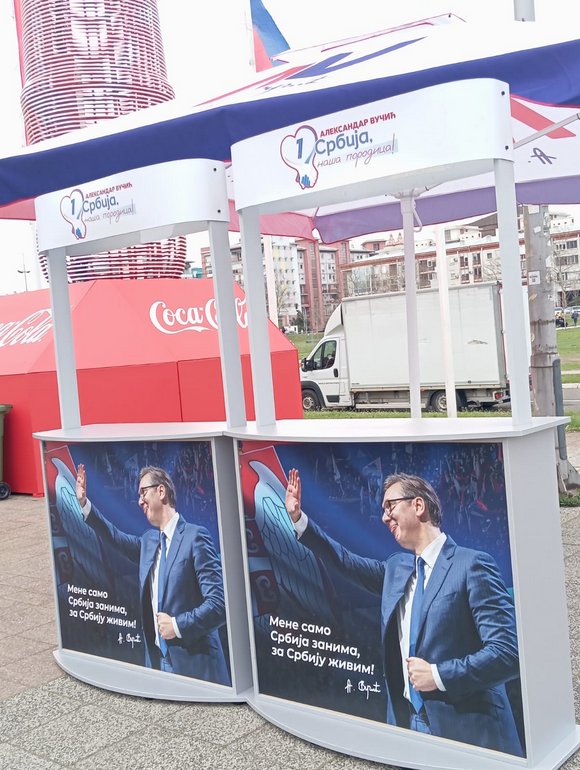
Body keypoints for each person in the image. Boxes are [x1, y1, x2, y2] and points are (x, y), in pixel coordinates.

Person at [285, 468, 523, 756]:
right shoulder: (396, 568)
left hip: (468, 730)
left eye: (390, 506)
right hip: (407, 724)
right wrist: (299, 519)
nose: (384, 517)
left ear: (418, 505)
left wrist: (438, 675)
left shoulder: (471, 565)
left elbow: (508, 652)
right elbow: (344, 561)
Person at [76, 463, 230, 685]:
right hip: (158, 663)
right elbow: (114, 536)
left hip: (195, 665)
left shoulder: (195, 537)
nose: (140, 501)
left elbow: (219, 604)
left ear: (161, 491)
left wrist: (177, 626)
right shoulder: (148, 541)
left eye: (143, 492)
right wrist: (84, 504)